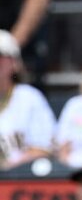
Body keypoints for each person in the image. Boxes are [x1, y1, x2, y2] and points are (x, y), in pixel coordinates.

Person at [0, 29, 54, 169]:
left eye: (1, 55)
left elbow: (44, 148)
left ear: (14, 62)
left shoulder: (29, 98)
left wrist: (9, 167)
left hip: (17, 181)